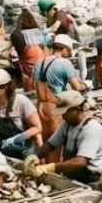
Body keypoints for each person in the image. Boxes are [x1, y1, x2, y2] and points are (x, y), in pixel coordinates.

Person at [25, 91, 102, 186]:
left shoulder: (91, 128)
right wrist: (35, 156)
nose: (63, 116)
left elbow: (80, 162)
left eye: (65, 112)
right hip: (72, 176)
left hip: (91, 179)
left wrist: (48, 168)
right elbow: (51, 144)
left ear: (78, 108)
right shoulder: (67, 124)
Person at [33, 34, 86, 163]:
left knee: (44, 145)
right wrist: (83, 85)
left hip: (40, 108)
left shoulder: (39, 63)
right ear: (64, 49)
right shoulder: (64, 63)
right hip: (56, 108)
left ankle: (42, 172)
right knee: (55, 145)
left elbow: (35, 84)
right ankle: (54, 174)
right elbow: (76, 87)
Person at [9, 8, 45, 89]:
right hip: (45, 67)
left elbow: (18, 54)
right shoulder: (40, 32)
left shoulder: (18, 35)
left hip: (30, 71)